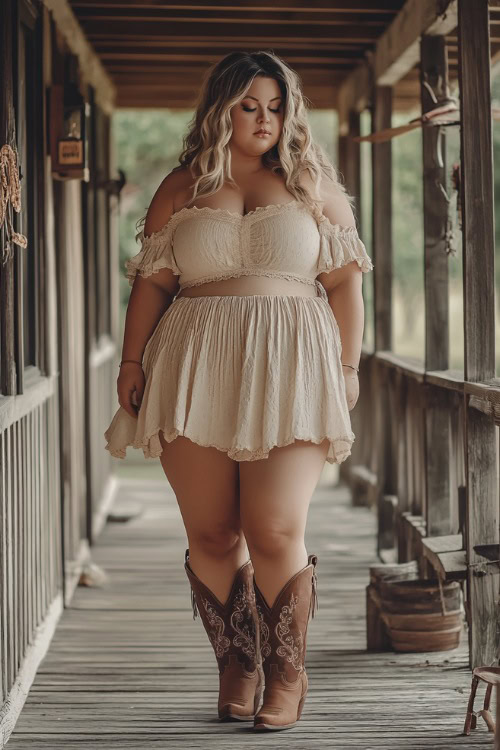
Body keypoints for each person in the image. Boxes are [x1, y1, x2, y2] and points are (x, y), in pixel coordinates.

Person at [104, 50, 373, 732]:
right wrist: (131, 360)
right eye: (250, 106)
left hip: (293, 369)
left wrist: (347, 368)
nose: (264, 120)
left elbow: (344, 285)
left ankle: (288, 671)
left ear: (292, 113)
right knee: (212, 530)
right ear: (222, 109)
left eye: (276, 106)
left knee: (274, 526)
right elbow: (153, 282)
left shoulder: (314, 184)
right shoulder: (182, 185)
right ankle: (238, 662)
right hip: (193, 367)